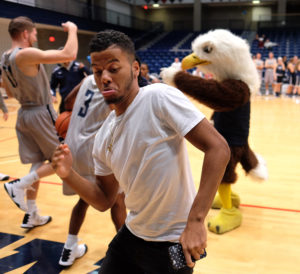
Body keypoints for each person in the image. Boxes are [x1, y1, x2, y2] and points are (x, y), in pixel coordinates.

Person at [52, 30, 230, 273]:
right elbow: (105, 200)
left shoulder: (158, 98)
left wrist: (197, 220)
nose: (104, 77)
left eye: (113, 69)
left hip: (174, 242)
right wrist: (67, 173)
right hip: (131, 236)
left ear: (135, 68)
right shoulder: (103, 135)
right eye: (97, 71)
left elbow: (218, 148)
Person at [1, 16, 78, 228]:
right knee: (62, 157)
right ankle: (19, 185)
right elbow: (68, 54)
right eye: (34, 33)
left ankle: (32, 213)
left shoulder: (4, 57)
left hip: (24, 114)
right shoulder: (24, 54)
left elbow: (7, 91)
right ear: (25, 33)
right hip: (40, 111)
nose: (35, 36)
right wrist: (72, 29)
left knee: (38, 163)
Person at [58, 74, 127, 266]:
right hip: (92, 147)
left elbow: (69, 100)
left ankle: (70, 247)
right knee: (118, 200)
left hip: (72, 144)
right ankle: (127, 252)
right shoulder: (112, 81)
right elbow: (118, 109)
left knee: (85, 197)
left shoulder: (88, 78)